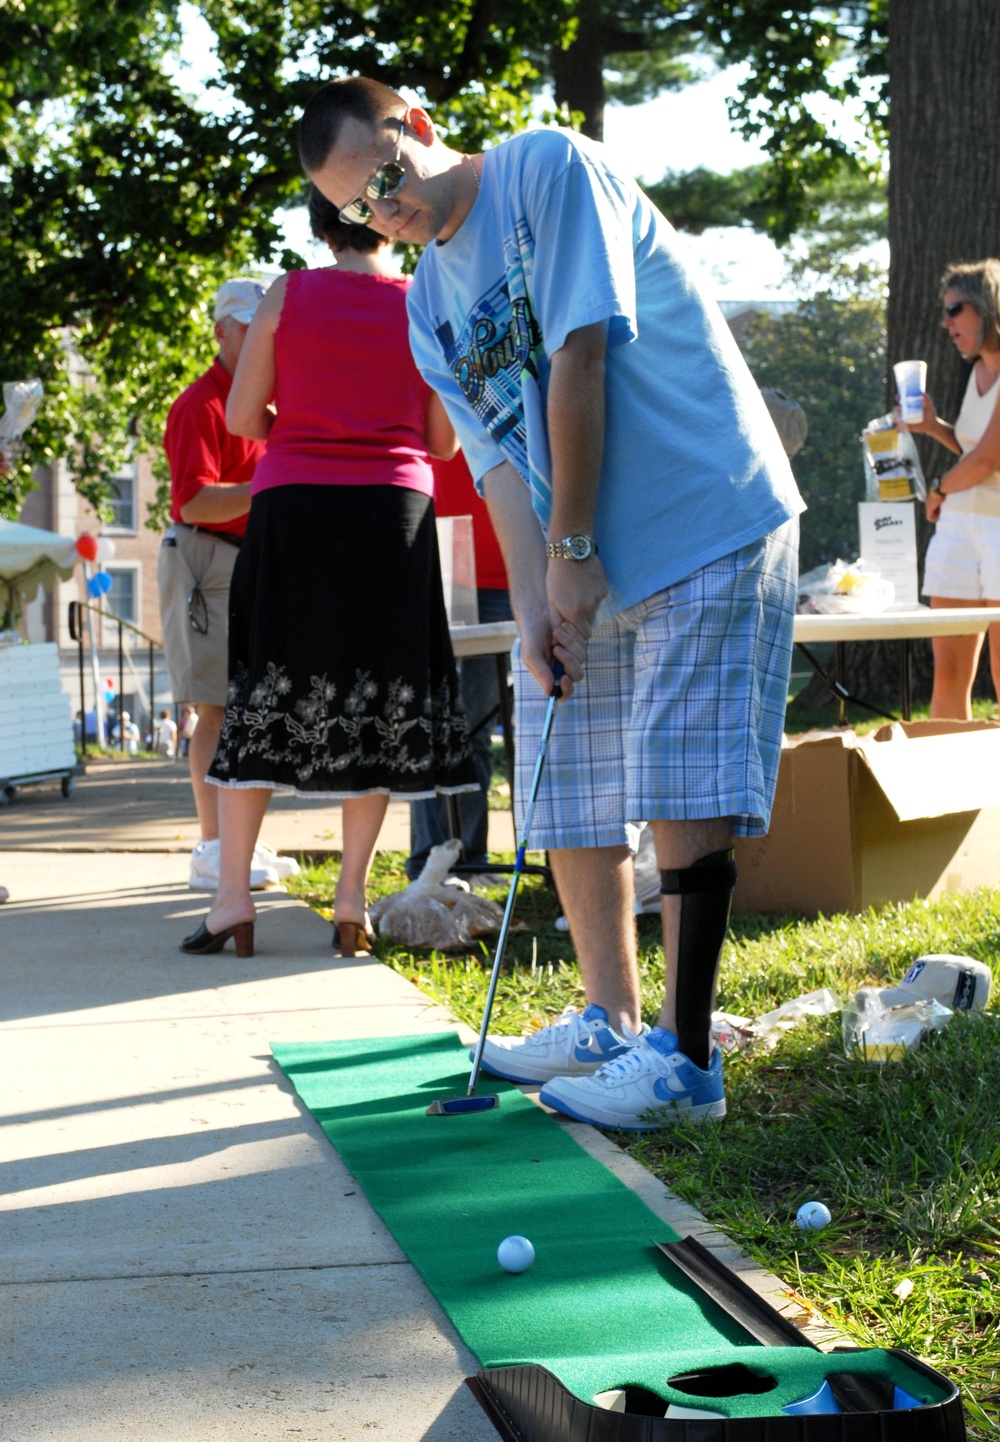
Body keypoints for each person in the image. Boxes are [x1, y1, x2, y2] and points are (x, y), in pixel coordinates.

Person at [300, 77, 803, 1129]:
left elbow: (578, 357)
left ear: (420, 127)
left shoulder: (546, 170)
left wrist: (571, 546)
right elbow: (493, 465)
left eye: (386, 181)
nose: (383, 213)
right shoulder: (428, 303)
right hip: (588, 557)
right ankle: (607, 1020)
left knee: (679, 768)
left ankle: (686, 1060)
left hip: (700, 509)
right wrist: (536, 601)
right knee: (559, 768)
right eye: (358, 209)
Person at [180, 188, 475, 960]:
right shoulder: (423, 303)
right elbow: (443, 443)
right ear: (389, 219)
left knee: (263, 687)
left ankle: (233, 899)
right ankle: (351, 905)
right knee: (378, 697)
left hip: (294, 508)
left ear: (319, 227)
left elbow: (245, 419)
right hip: (393, 514)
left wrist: (306, 433)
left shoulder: (289, 294)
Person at [159, 278, 290, 892]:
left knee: (248, 705)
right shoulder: (199, 405)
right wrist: (271, 489)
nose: (264, 335)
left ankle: (235, 842)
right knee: (214, 706)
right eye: (248, 323)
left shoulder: (266, 404)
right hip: (207, 559)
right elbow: (193, 502)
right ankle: (213, 847)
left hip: (248, 558)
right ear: (221, 331)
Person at [406, 448, 512, 884]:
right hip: (448, 557)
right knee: (437, 726)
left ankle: (474, 856)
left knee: (481, 731)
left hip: (514, 567)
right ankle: (433, 860)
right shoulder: (431, 378)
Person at [901, 260, 1000, 719]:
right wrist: (934, 427)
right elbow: (971, 447)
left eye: (955, 310)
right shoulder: (978, 370)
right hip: (960, 529)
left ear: (987, 307)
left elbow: (985, 461)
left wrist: (938, 488)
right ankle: (947, 789)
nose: (946, 323)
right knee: (947, 679)